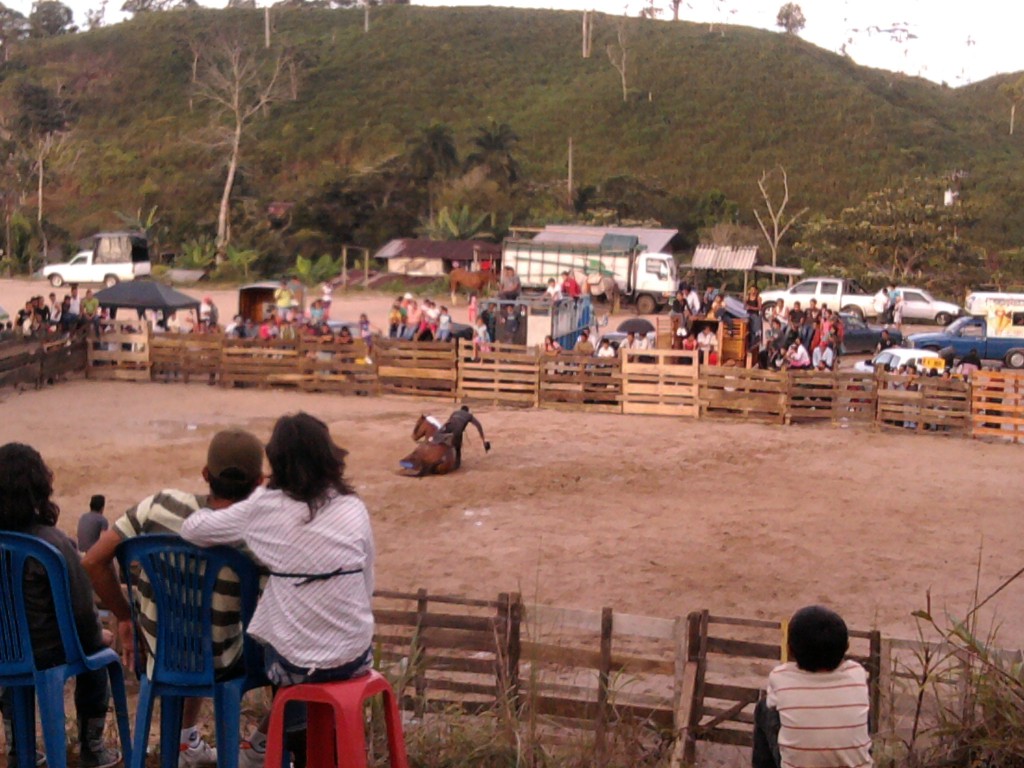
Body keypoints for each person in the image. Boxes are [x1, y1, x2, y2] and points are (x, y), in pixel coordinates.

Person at [181, 414, 375, 767]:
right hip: (354, 658)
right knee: (295, 632)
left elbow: (193, 529)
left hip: (293, 665)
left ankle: (272, 746)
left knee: (274, 643)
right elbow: (367, 584)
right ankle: (279, 746)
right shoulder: (353, 508)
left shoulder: (264, 508)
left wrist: (255, 502)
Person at [82, 429, 265, 768]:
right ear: (259, 483)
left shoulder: (158, 507)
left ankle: (183, 742)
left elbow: (93, 560)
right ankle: (260, 747)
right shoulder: (258, 536)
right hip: (220, 661)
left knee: (188, 618)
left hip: (160, 653)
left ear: (206, 475)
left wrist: (124, 616)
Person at [0, 443, 121, 768]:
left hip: (6, 653)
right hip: (53, 653)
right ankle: (92, 747)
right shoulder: (53, 544)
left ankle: (18, 748)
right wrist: (98, 639)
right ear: (41, 487)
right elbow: (83, 613)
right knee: (96, 661)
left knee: (12, 664)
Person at [752, 605, 870, 768]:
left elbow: (773, 703)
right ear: (846, 648)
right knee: (860, 708)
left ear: (789, 650)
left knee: (765, 708)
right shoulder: (857, 674)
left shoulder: (780, 677)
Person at [431, 406, 491, 471]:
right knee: (458, 447)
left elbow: (447, 422)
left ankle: (432, 443)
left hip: (448, 426)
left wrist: (441, 430)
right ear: (467, 411)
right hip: (458, 430)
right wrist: (483, 440)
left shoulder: (455, 412)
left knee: (438, 437)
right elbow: (478, 425)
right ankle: (457, 464)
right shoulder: (469, 415)